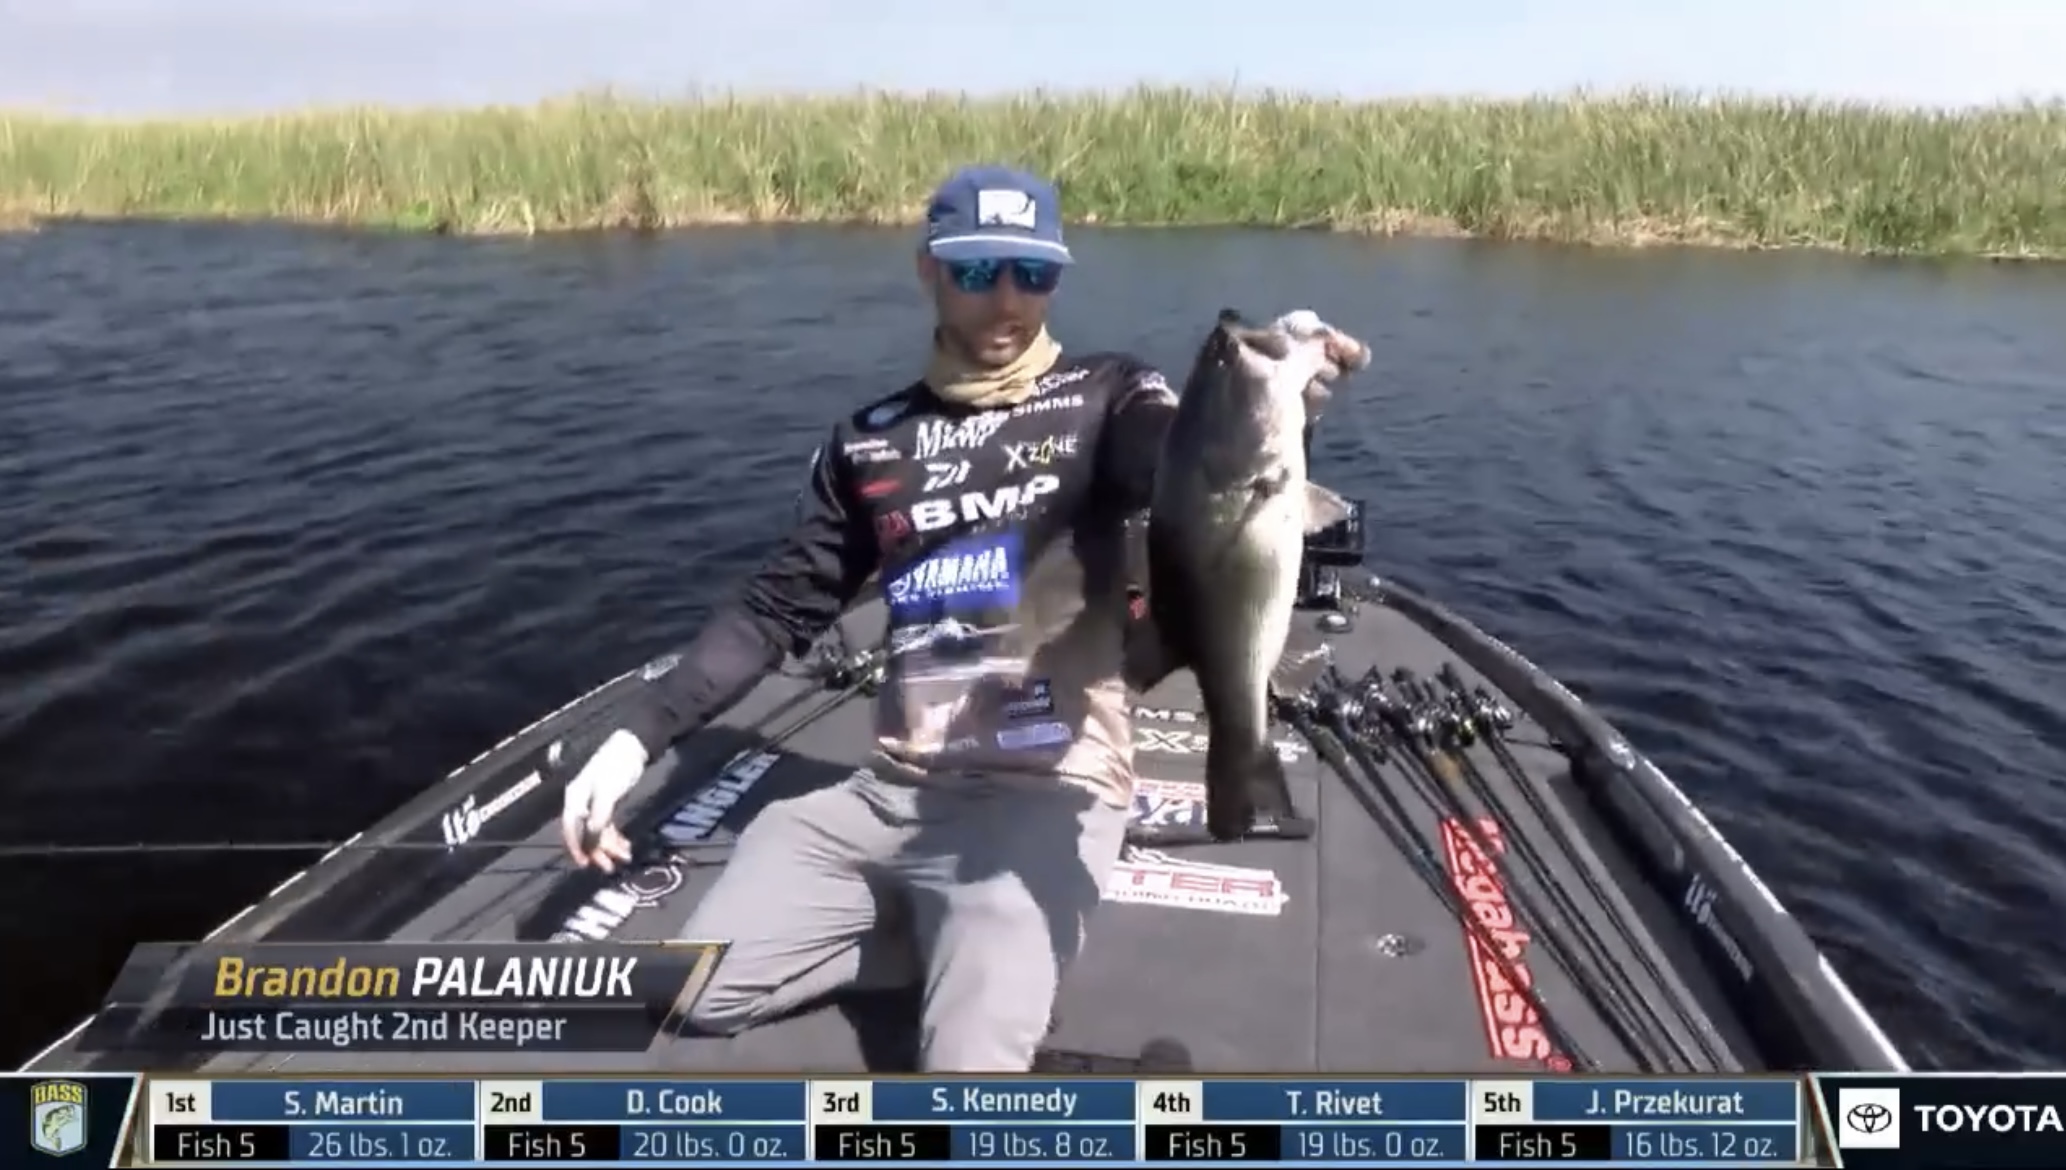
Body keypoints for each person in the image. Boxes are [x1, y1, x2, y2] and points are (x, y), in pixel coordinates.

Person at [552, 163, 1361, 1071]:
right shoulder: (871, 438)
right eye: (978, 271)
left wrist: (1282, 401)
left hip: (1047, 793)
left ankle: (964, 939)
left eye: (1033, 272)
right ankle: (924, 934)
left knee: (969, 1075)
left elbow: (1187, 470)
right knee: (693, 993)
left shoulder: (1112, 394)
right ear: (928, 269)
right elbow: (776, 606)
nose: (1007, 299)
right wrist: (634, 741)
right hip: (889, 791)